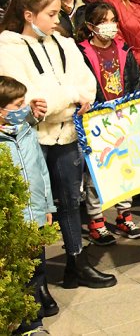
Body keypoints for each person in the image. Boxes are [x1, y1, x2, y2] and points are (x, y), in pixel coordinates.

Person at [0, 0, 116, 289]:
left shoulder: (63, 43)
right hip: (31, 141)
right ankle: (35, 283)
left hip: (67, 136)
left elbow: (87, 84)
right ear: (28, 14)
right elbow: (29, 100)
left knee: (69, 202)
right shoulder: (7, 48)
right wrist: (68, 97)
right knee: (34, 211)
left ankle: (76, 264)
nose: (57, 20)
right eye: (51, 14)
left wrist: (63, 98)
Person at [76, 2, 140, 242]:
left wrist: (135, 107)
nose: (110, 26)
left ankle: (124, 215)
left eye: (113, 20)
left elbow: (135, 82)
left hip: (124, 119)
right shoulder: (82, 53)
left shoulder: (124, 50)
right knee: (97, 172)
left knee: (125, 169)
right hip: (97, 122)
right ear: (90, 26)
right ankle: (96, 220)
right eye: (104, 21)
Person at [1, 75, 58, 333]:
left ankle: (33, 324)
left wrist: (47, 206)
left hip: (34, 215)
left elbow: (41, 170)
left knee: (36, 271)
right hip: (10, 224)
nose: (25, 108)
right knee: (14, 275)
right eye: (18, 104)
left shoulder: (25, 130)